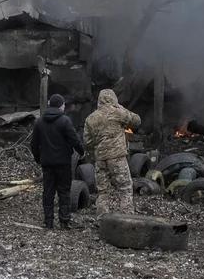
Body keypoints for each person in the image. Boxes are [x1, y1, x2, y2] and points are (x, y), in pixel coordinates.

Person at [31, 94, 86, 229]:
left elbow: (33, 144)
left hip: (47, 163)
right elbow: (74, 140)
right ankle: (64, 222)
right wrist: (82, 151)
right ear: (61, 106)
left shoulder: (39, 122)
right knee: (64, 192)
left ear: (50, 104)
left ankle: (48, 222)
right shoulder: (65, 121)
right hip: (63, 163)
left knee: (48, 192)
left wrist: (38, 158)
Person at [82, 89, 141, 214]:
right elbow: (137, 121)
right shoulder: (119, 113)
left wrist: (98, 147)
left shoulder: (91, 118)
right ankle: (126, 218)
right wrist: (122, 108)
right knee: (124, 188)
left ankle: (102, 219)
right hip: (117, 157)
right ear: (114, 99)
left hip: (100, 159)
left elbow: (87, 142)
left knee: (103, 191)